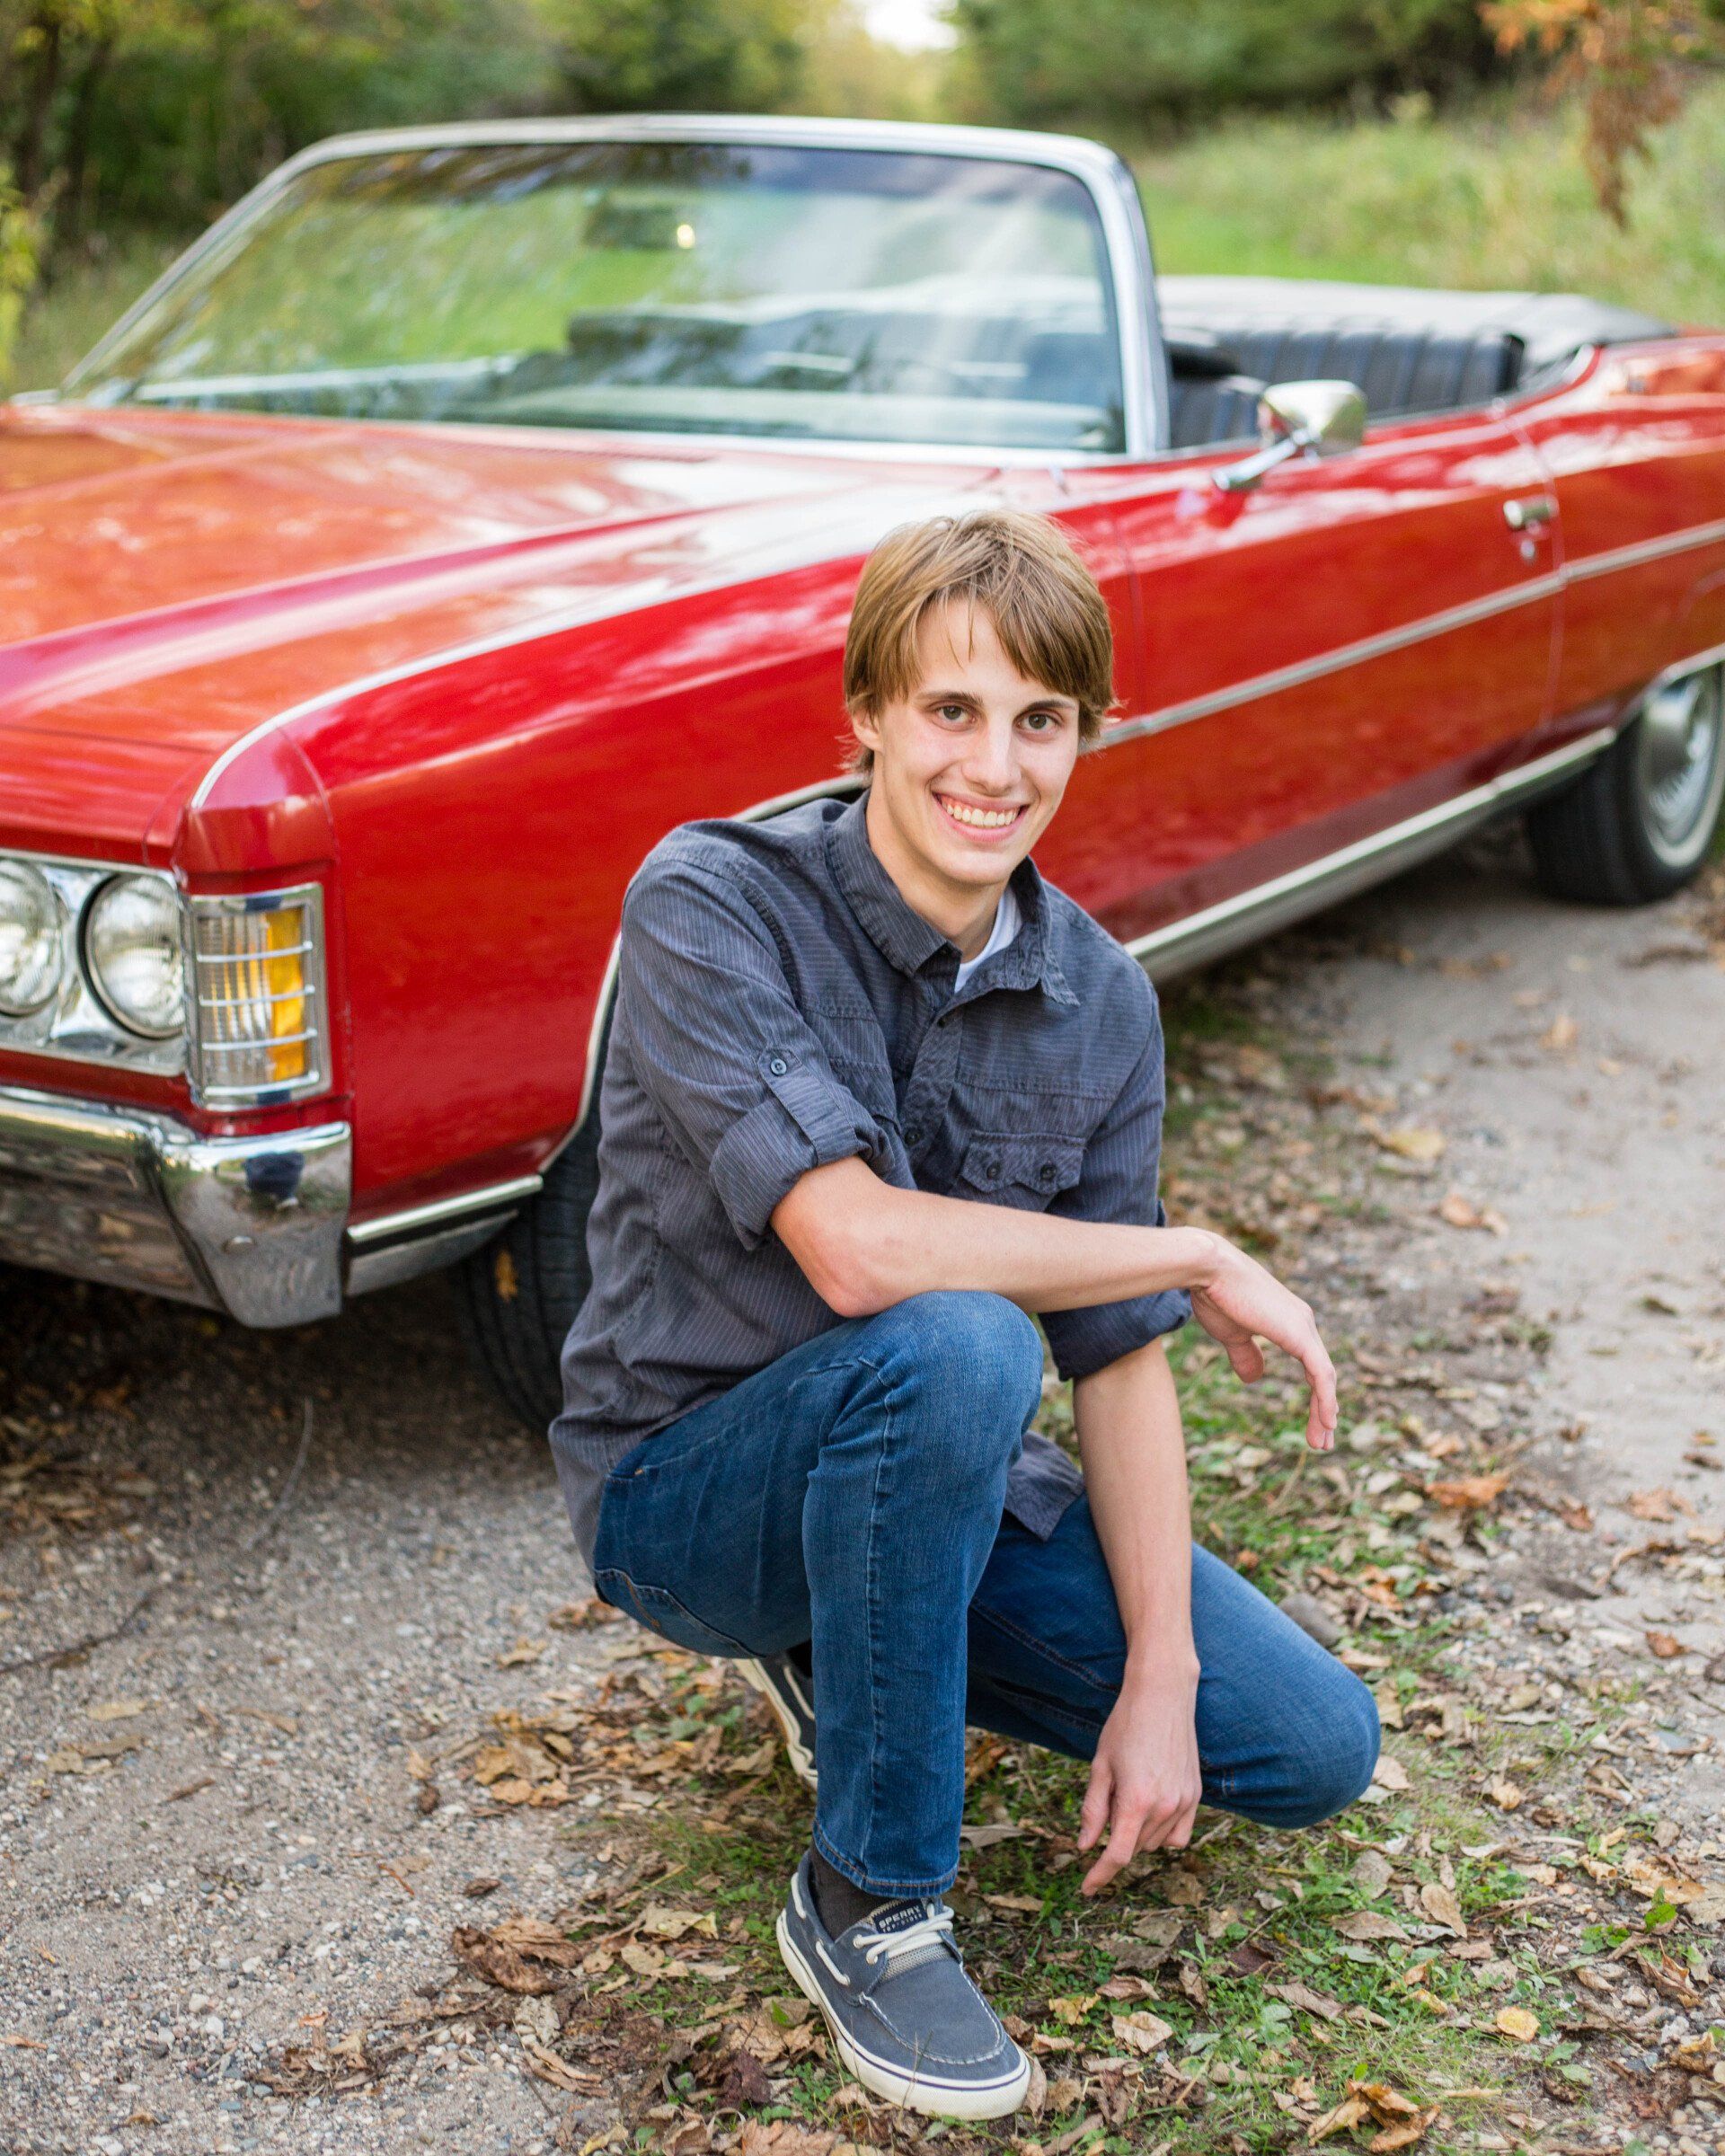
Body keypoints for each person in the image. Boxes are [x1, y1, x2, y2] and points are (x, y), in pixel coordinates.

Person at [550, 509, 1380, 2121]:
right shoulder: (711, 901)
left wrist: (1155, 1675)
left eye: (1041, 721)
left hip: (941, 1472)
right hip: (689, 1491)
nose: (995, 766)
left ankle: (861, 1640)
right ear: (865, 709)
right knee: (962, 1336)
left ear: (1083, 733)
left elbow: (1123, 1358)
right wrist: (1198, 1249)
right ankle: (869, 1895)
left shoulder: (1100, 999)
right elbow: (861, 1253)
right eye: (952, 711)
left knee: (1307, 1742)